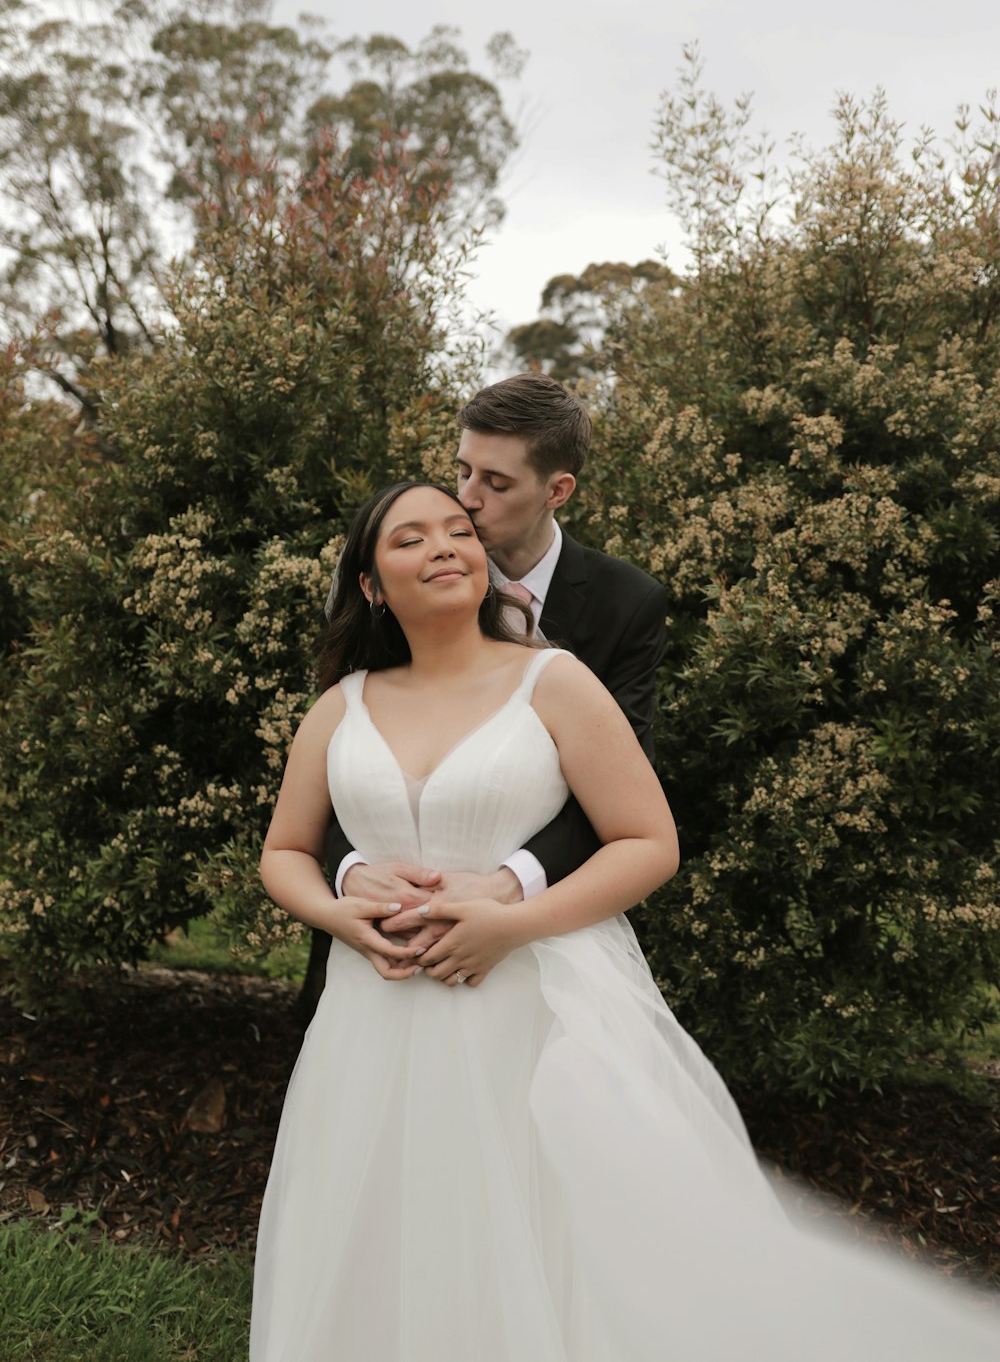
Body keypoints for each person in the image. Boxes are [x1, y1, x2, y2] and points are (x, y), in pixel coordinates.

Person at [250, 481, 999, 1361]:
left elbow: (648, 842)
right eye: (411, 538)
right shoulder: (344, 704)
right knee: (381, 1226)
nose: (446, 545)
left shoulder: (553, 681)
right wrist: (340, 914)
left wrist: (513, 922)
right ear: (372, 584)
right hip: (372, 1019)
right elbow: (283, 852)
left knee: (538, 1233)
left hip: (522, 1005)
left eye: (459, 530)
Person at [324, 373, 669, 973]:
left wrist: (509, 887)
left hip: (542, 939)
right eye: (463, 472)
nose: (467, 497)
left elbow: (622, 795)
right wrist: (352, 875)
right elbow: (346, 755)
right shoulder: (398, 578)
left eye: (497, 482)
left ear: (557, 490)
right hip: (381, 940)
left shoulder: (627, 603)